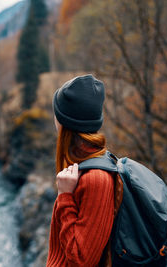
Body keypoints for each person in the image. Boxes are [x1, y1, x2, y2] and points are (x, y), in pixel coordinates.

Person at [46, 74, 123, 267]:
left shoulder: (96, 178)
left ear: (65, 121)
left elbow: (81, 260)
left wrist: (65, 197)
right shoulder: (82, 166)